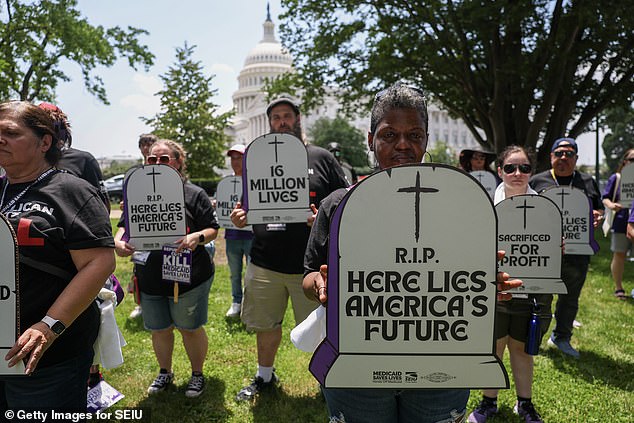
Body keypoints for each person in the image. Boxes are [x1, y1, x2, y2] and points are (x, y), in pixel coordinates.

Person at [302, 83, 522, 423]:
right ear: (370, 139)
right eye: (389, 135)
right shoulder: (338, 206)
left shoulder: (460, 207)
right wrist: (321, 285)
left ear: (426, 139)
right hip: (360, 366)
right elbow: (309, 274)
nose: (403, 144)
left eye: (414, 134)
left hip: (440, 367)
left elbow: (467, 274)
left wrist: (487, 284)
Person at [230, 94, 348, 401]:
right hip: (265, 260)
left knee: (321, 329)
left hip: (310, 266)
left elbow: (346, 202)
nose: (282, 122)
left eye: (287, 116)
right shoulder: (258, 160)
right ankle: (264, 376)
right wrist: (240, 217)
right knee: (266, 325)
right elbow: (247, 203)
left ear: (297, 120)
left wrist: (322, 219)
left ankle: (328, 381)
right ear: (270, 124)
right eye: (276, 117)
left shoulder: (321, 157)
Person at [0, 101, 115, 410]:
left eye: (10, 132)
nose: (0, 140)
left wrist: (49, 326)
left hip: (46, 360)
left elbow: (99, 262)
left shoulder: (71, 191)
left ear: (45, 142)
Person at [114, 139, 219, 398]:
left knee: (189, 327)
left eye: (164, 159)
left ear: (179, 162)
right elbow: (125, 226)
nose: (157, 163)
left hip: (189, 274)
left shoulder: (194, 194)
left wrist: (197, 237)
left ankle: (197, 374)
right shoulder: (137, 192)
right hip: (149, 274)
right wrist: (118, 242)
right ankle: (165, 371)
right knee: (159, 328)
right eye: (152, 159)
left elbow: (212, 228)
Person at [468, 146, 549, 423]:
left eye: (524, 168)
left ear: (531, 172)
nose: (518, 173)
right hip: (495, 288)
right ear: (500, 170)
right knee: (494, 346)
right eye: (511, 168)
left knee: (522, 347)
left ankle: (524, 404)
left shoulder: (545, 209)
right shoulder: (485, 205)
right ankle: (488, 401)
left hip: (531, 290)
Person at [530, 137, 604, 358]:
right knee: (541, 298)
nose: (564, 157)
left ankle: (562, 337)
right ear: (551, 156)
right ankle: (536, 338)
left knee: (570, 298)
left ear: (576, 158)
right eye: (559, 153)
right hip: (544, 252)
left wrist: (598, 218)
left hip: (577, 252)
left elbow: (598, 210)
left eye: (569, 154)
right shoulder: (536, 181)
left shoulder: (588, 182)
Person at [128, 133, 159, 319]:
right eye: (143, 145)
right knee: (138, 268)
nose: (146, 148)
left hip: (159, 225)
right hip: (140, 226)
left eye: (150, 144)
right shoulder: (135, 173)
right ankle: (140, 304)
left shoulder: (165, 170)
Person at [223, 143, 253, 317]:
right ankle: (236, 302)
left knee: (251, 273)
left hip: (251, 234)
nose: (236, 161)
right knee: (235, 273)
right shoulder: (227, 183)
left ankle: (249, 303)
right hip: (232, 235)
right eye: (233, 158)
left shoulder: (253, 181)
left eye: (239, 157)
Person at [602, 148, 634, 300]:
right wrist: (612, 205)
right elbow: (606, 197)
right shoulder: (617, 178)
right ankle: (619, 288)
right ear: (625, 162)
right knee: (619, 254)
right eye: (632, 160)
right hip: (621, 222)